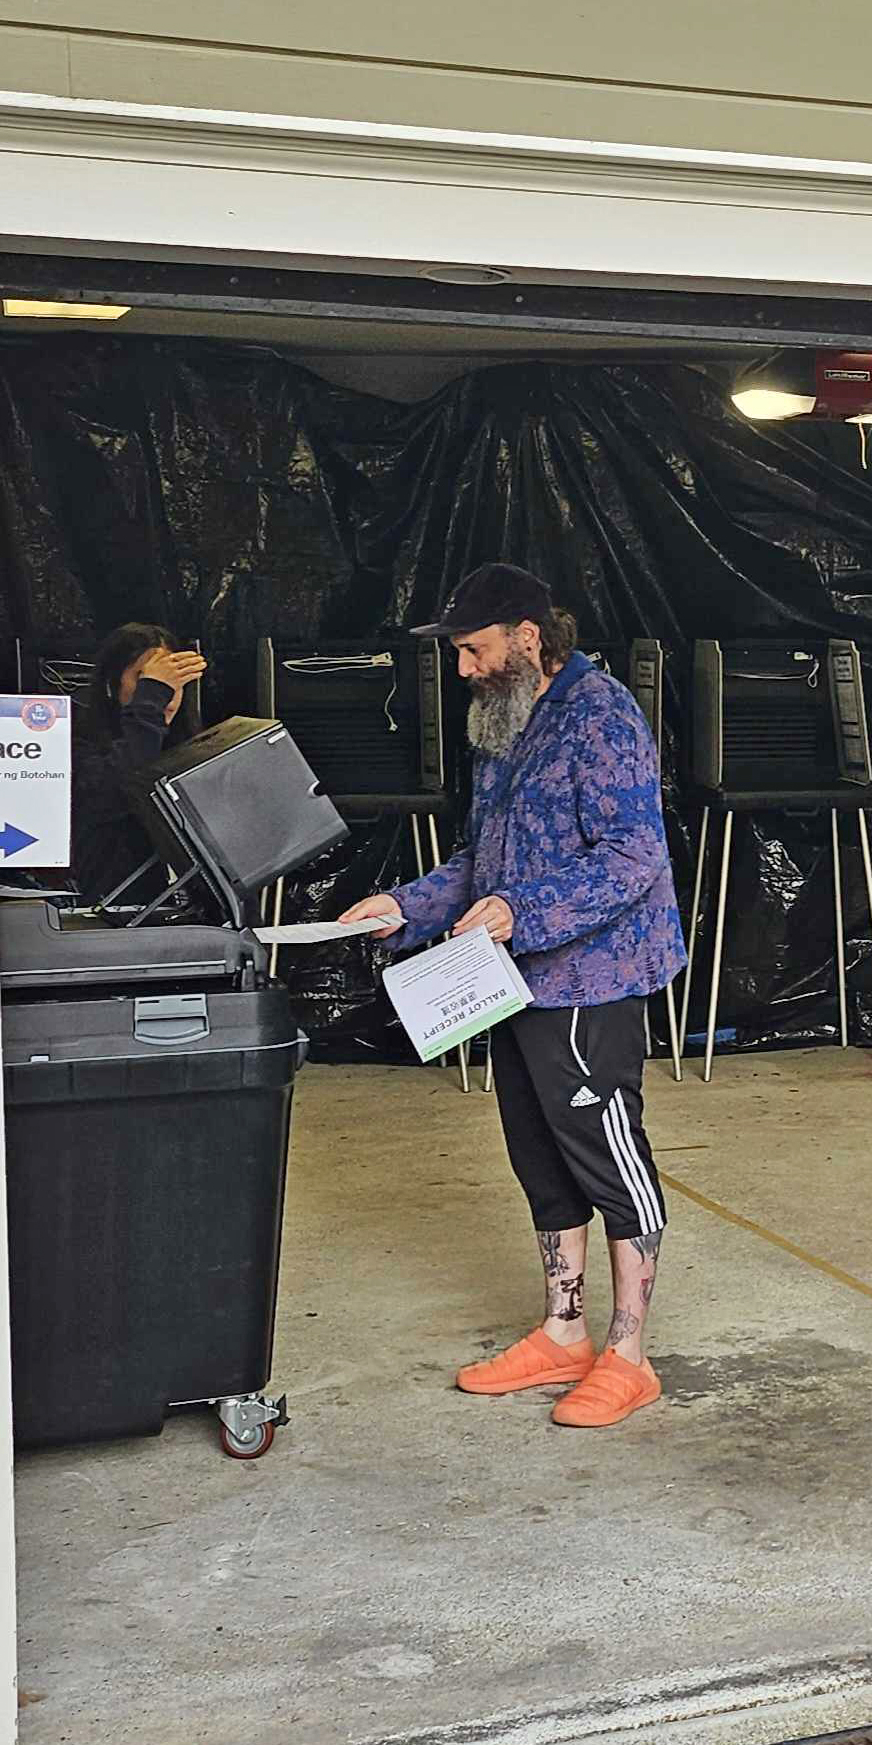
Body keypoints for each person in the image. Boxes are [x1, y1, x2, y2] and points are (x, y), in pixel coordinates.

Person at [339, 563, 688, 1428]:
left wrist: (519, 910)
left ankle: (629, 1355)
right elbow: (483, 866)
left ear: (527, 638)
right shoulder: (507, 723)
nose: (462, 669)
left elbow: (633, 857)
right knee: (538, 1156)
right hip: (513, 978)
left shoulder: (601, 718)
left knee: (609, 1161)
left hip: (590, 979)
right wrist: (408, 906)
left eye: (472, 650)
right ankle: (563, 1333)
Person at [71, 621, 206, 904]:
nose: (166, 693)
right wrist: (148, 705)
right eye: (146, 680)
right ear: (112, 683)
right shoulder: (80, 743)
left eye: (174, 681)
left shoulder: (191, 745)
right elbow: (113, 792)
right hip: (116, 911)